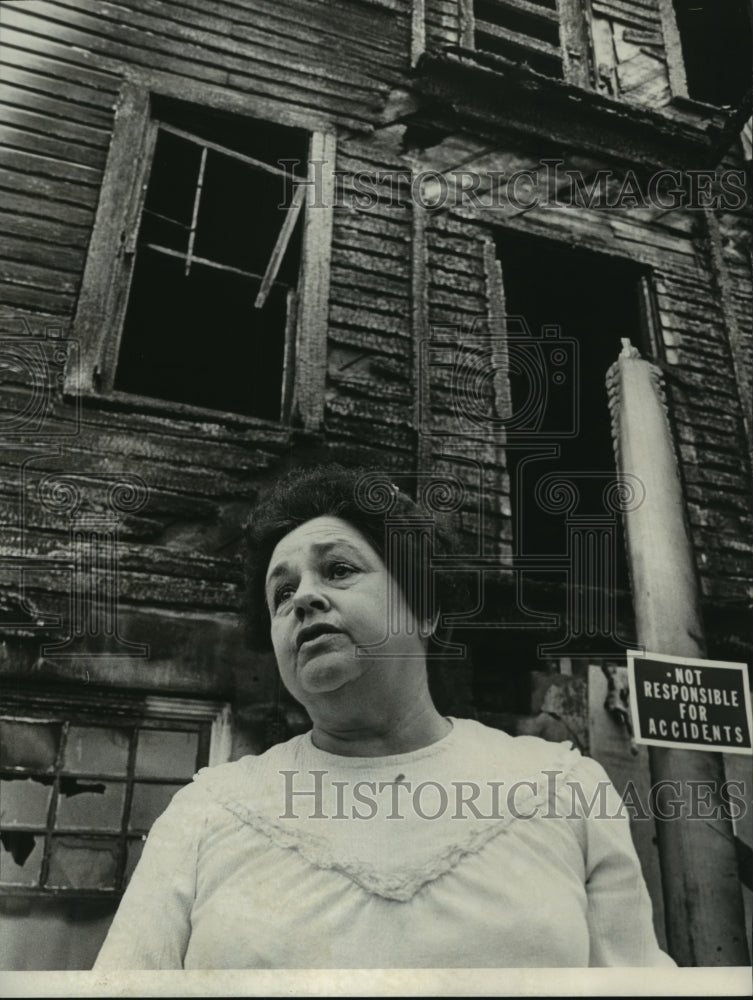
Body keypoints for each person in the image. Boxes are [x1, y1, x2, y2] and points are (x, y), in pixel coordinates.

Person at [94, 464, 675, 969]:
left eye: (339, 570)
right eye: (282, 593)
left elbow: (634, 981)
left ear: (425, 610)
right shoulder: (206, 812)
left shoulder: (563, 790)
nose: (303, 598)